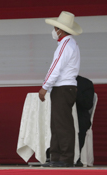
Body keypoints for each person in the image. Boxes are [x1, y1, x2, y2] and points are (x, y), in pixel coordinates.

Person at [39, 11, 82, 167]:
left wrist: (44, 87)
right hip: (63, 88)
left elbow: (55, 67)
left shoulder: (66, 44)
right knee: (57, 123)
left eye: (56, 27)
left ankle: (65, 158)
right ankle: (56, 157)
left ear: (61, 30)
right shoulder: (69, 44)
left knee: (62, 124)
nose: (54, 31)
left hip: (63, 87)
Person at [75, 75, 94, 166]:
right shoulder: (55, 81)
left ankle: (75, 157)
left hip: (79, 114)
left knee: (79, 124)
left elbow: (87, 104)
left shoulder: (85, 83)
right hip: (60, 115)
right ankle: (49, 156)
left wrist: (76, 93)